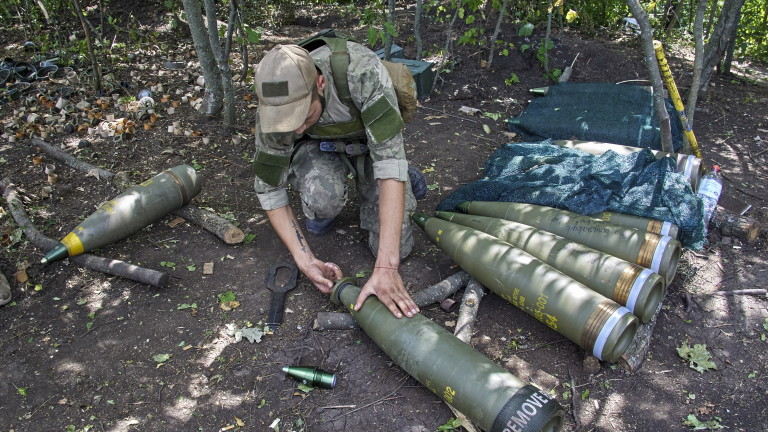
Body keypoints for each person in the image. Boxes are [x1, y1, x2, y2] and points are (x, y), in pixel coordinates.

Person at [252, 41, 422, 319]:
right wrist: (305, 261)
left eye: (304, 116)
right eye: (287, 122)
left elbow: (389, 164)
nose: (295, 128)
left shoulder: (361, 72)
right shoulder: (273, 110)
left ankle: (405, 182)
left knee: (398, 250)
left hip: (371, 148)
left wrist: (386, 269)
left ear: (319, 83)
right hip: (318, 151)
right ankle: (322, 208)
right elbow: (269, 189)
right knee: (323, 198)